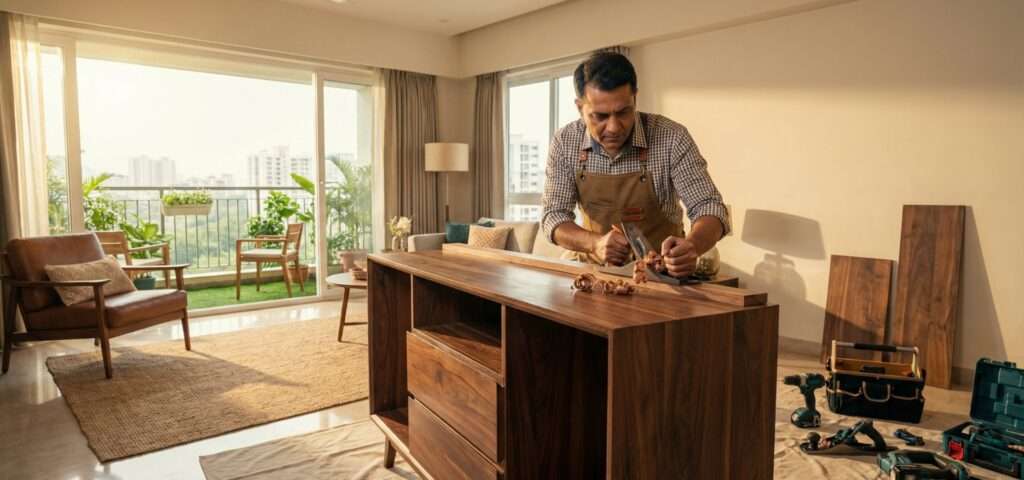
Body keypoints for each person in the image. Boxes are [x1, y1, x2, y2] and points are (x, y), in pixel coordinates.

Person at [541, 52, 730, 278]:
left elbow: (709, 207)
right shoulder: (565, 142)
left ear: (635, 98)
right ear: (579, 107)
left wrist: (692, 246)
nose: (613, 127)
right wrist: (595, 244)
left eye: (623, 112)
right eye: (599, 116)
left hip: (663, 279)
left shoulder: (671, 137)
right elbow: (553, 216)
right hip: (595, 276)